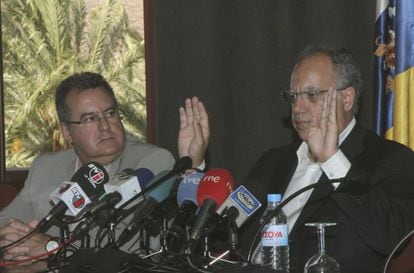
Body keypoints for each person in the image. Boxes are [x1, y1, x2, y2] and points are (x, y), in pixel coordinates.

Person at [238, 45, 414, 273]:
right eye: (293, 97)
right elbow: (227, 228)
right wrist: (193, 168)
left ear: (347, 98)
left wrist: (332, 160)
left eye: (312, 95)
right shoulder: (272, 161)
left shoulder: (390, 159)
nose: (298, 108)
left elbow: (393, 239)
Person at [0, 72, 209, 262]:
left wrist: (49, 246)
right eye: (90, 118)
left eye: (110, 113)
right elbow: (5, 222)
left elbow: (126, 244)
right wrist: (15, 240)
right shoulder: (45, 167)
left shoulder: (151, 163)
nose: (105, 126)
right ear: (66, 131)